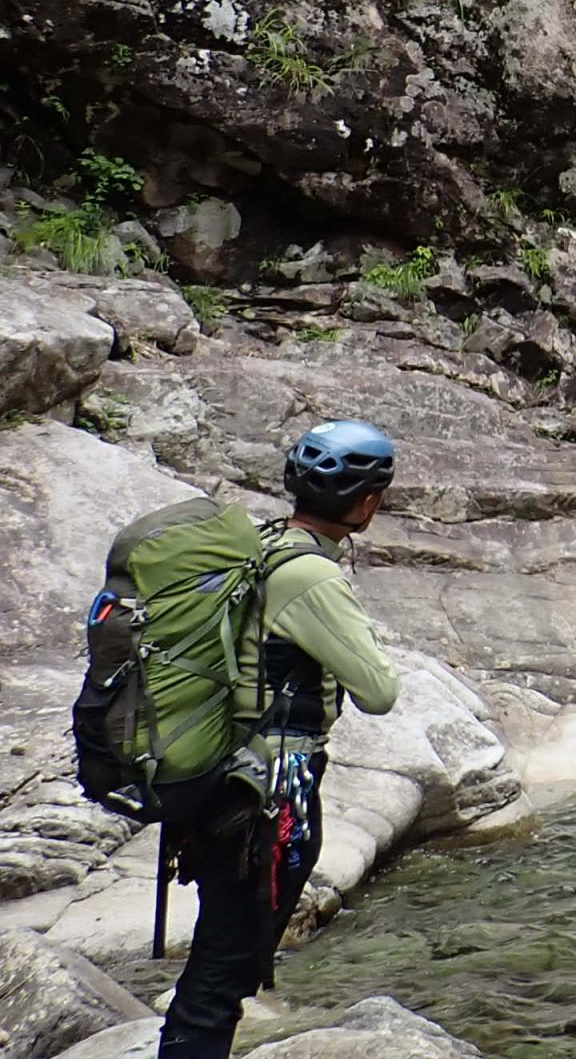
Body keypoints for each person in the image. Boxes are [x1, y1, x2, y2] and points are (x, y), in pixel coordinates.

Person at [159, 420, 403, 1059]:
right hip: (266, 800)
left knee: (225, 958)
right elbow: (378, 691)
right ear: (368, 501)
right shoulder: (312, 576)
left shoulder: (263, 545)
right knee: (224, 969)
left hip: (218, 780)